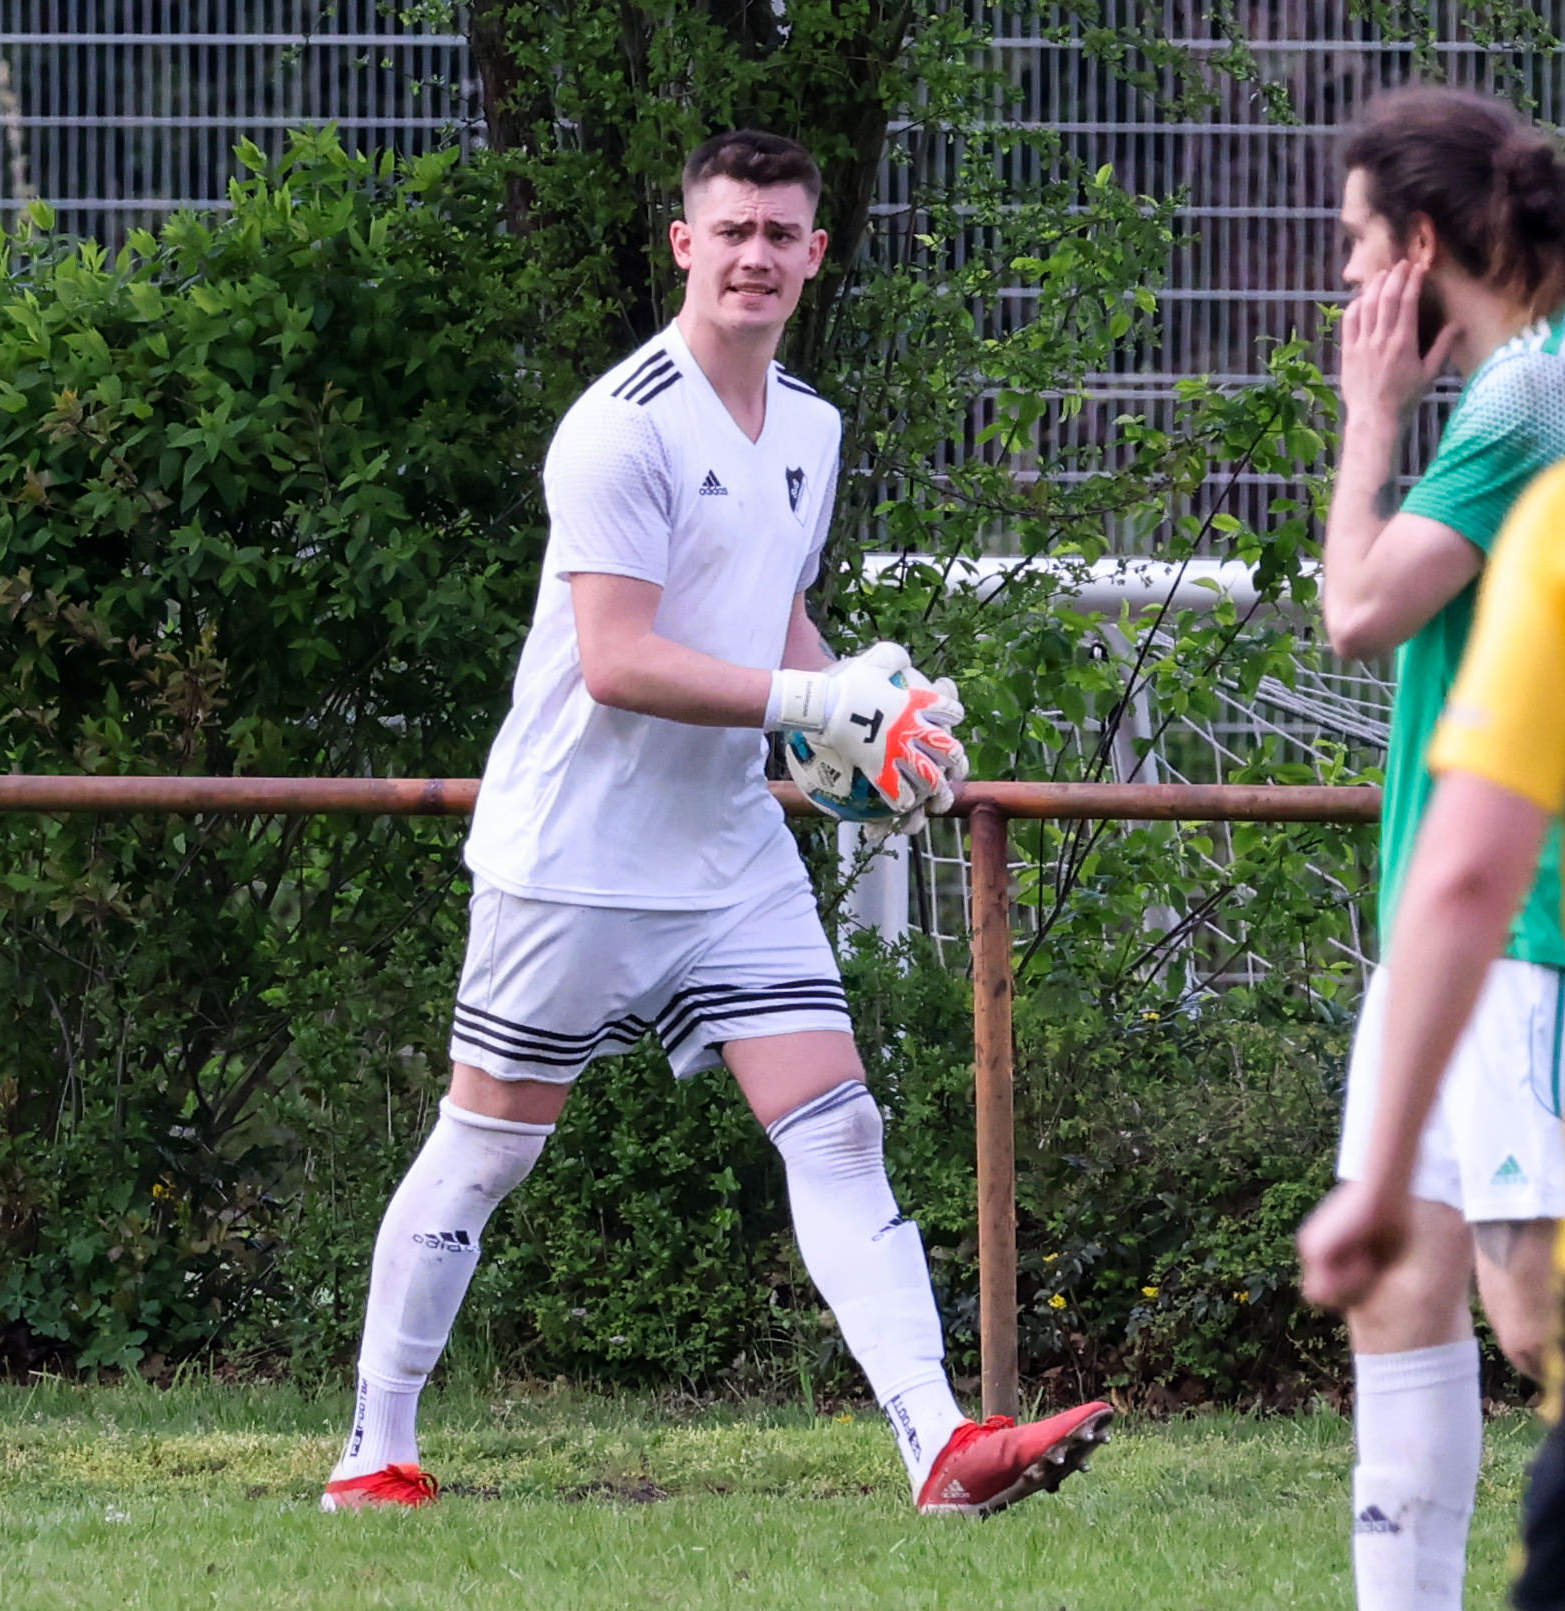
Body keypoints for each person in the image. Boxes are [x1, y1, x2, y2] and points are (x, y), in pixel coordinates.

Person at [320, 128, 1112, 1516]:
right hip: (572, 855)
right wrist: (813, 698)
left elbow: (772, 614)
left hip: (729, 854)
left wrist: (870, 727)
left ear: (816, 254)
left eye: (780, 233)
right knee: (489, 1147)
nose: (755, 255)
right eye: (731, 231)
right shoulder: (620, 425)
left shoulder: (811, 425)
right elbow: (619, 658)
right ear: (686, 246)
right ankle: (373, 1453)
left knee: (840, 1128)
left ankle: (938, 1448)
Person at [1313, 84, 1565, 1611]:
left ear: (1421, 245)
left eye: (1355, 243)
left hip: (1531, 930)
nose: (1343, 278)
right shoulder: (1523, 383)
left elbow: (1357, 609)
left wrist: (1368, 416)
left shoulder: (1549, 390)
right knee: (1397, 1289)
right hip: (1442, 927)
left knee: (1543, 1319)